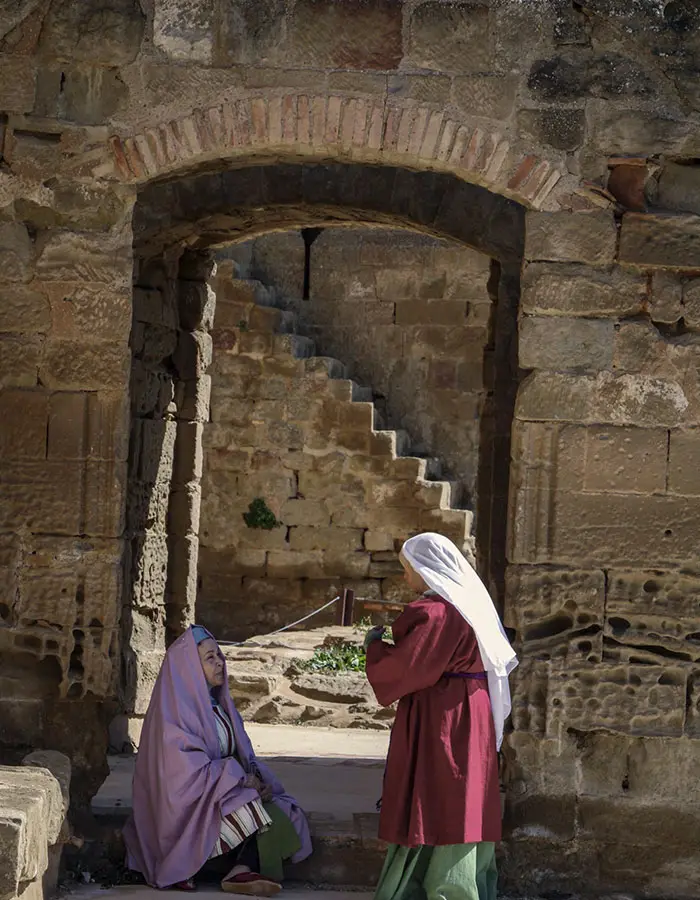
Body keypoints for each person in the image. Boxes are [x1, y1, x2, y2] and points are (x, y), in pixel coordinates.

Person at [364, 533, 518, 900]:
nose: (406, 578)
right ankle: (465, 881)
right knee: (464, 796)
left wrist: (374, 648)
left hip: (446, 716)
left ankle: (436, 888)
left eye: (408, 569)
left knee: (437, 795)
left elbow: (409, 665)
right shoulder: (471, 606)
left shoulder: (438, 613)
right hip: (473, 711)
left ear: (426, 568)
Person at [123, 625, 312, 895]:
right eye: (210, 658)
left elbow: (240, 755)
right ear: (189, 668)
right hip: (184, 809)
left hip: (222, 792)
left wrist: (256, 780)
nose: (220, 663)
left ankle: (241, 870)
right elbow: (183, 778)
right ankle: (191, 865)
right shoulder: (172, 715)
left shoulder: (219, 706)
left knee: (284, 810)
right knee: (250, 807)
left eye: (220, 656)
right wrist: (239, 780)